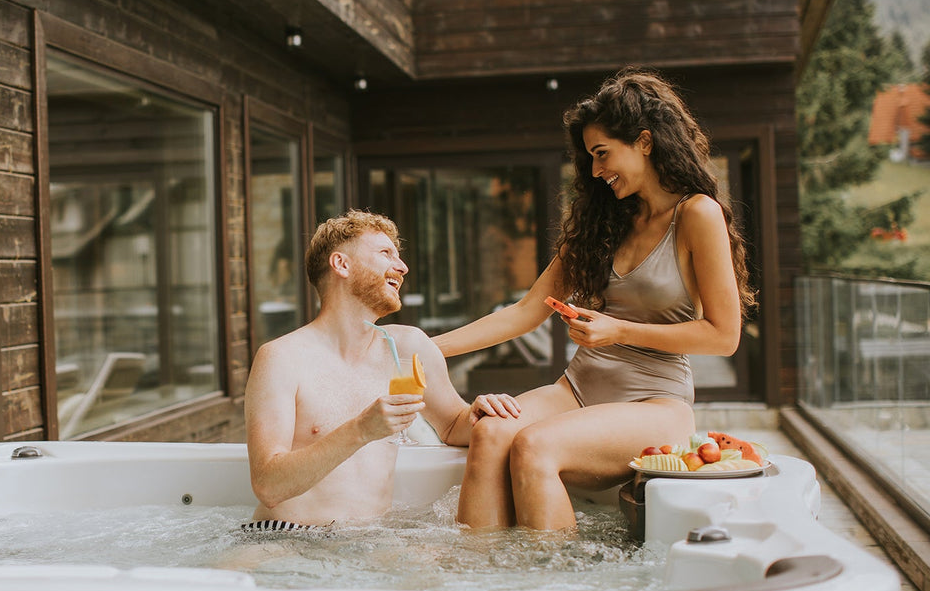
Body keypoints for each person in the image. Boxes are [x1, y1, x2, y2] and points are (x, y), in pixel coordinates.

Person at [434, 69, 756, 532]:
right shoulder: (602, 224)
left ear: (644, 142)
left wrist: (618, 330)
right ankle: (478, 584)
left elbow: (723, 337)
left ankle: (555, 590)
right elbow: (526, 312)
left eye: (602, 154)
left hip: (654, 403)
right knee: (491, 431)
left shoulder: (696, 214)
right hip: (577, 389)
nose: (595, 171)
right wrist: (427, 348)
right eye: (589, 158)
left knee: (534, 446)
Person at [244, 209, 518, 529]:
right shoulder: (281, 358)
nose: (402, 267)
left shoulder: (405, 347)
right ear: (341, 264)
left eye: (399, 256)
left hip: (371, 540)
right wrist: (362, 430)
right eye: (386, 253)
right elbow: (268, 486)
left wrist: (483, 411)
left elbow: (453, 425)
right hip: (285, 537)